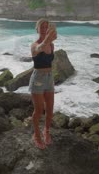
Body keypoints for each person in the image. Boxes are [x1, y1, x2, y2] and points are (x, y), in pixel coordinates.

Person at [29, 18, 57, 149]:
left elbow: (49, 55)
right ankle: (36, 135)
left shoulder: (51, 45)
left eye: (47, 27)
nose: (45, 29)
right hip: (38, 79)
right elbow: (40, 48)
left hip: (49, 77)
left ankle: (46, 131)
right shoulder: (34, 45)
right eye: (42, 27)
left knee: (50, 109)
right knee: (39, 110)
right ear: (37, 29)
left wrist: (50, 40)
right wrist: (48, 38)